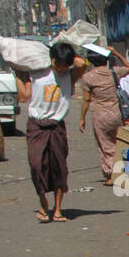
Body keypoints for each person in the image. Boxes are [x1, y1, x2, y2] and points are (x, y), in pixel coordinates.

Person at [14, 41, 89, 222]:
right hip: (37, 126)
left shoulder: (70, 76)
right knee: (36, 165)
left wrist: (66, 48)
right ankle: (43, 203)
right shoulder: (36, 73)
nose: (61, 70)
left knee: (59, 168)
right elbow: (24, 96)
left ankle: (58, 209)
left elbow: (82, 64)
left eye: (65, 66)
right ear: (51, 59)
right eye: (58, 65)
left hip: (56, 127)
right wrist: (17, 73)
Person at [78, 45, 129, 182]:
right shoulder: (114, 72)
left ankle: (112, 175)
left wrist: (82, 118)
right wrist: (116, 53)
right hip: (117, 113)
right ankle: (125, 170)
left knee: (105, 144)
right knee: (119, 142)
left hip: (100, 114)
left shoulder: (87, 77)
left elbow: (86, 99)